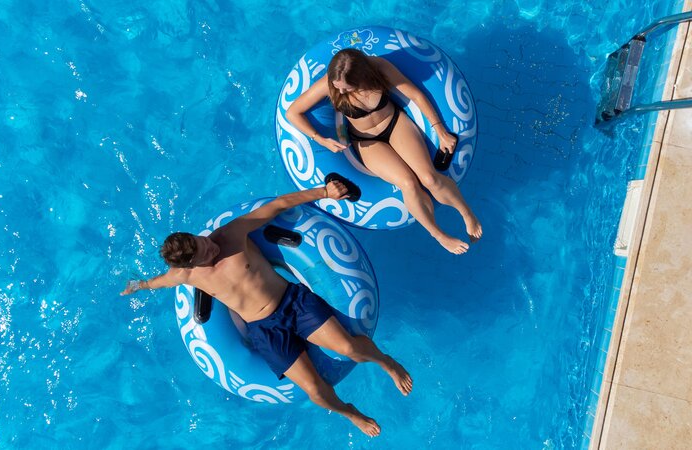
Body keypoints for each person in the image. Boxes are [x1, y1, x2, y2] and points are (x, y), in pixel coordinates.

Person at [120, 180, 412, 437]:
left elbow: (278, 205)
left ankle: (387, 363)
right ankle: (351, 413)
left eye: (202, 241)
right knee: (315, 391)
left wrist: (325, 192)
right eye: (203, 252)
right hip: (264, 330)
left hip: (292, 303)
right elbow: (157, 282)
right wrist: (138, 285)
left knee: (349, 348)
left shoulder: (230, 235)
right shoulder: (185, 276)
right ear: (190, 265)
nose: (210, 246)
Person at [286, 48, 483, 254]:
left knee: (429, 178)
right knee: (408, 183)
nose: (341, 92)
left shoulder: (379, 68)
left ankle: (466, 213)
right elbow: (293, 112)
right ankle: (439, 235)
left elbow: (415, 95)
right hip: (367, 141)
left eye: (347, 87)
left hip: (395, 123)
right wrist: (321, 139)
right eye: (338, 87)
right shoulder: (331, 83)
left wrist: (440, 130)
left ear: (361, 76)